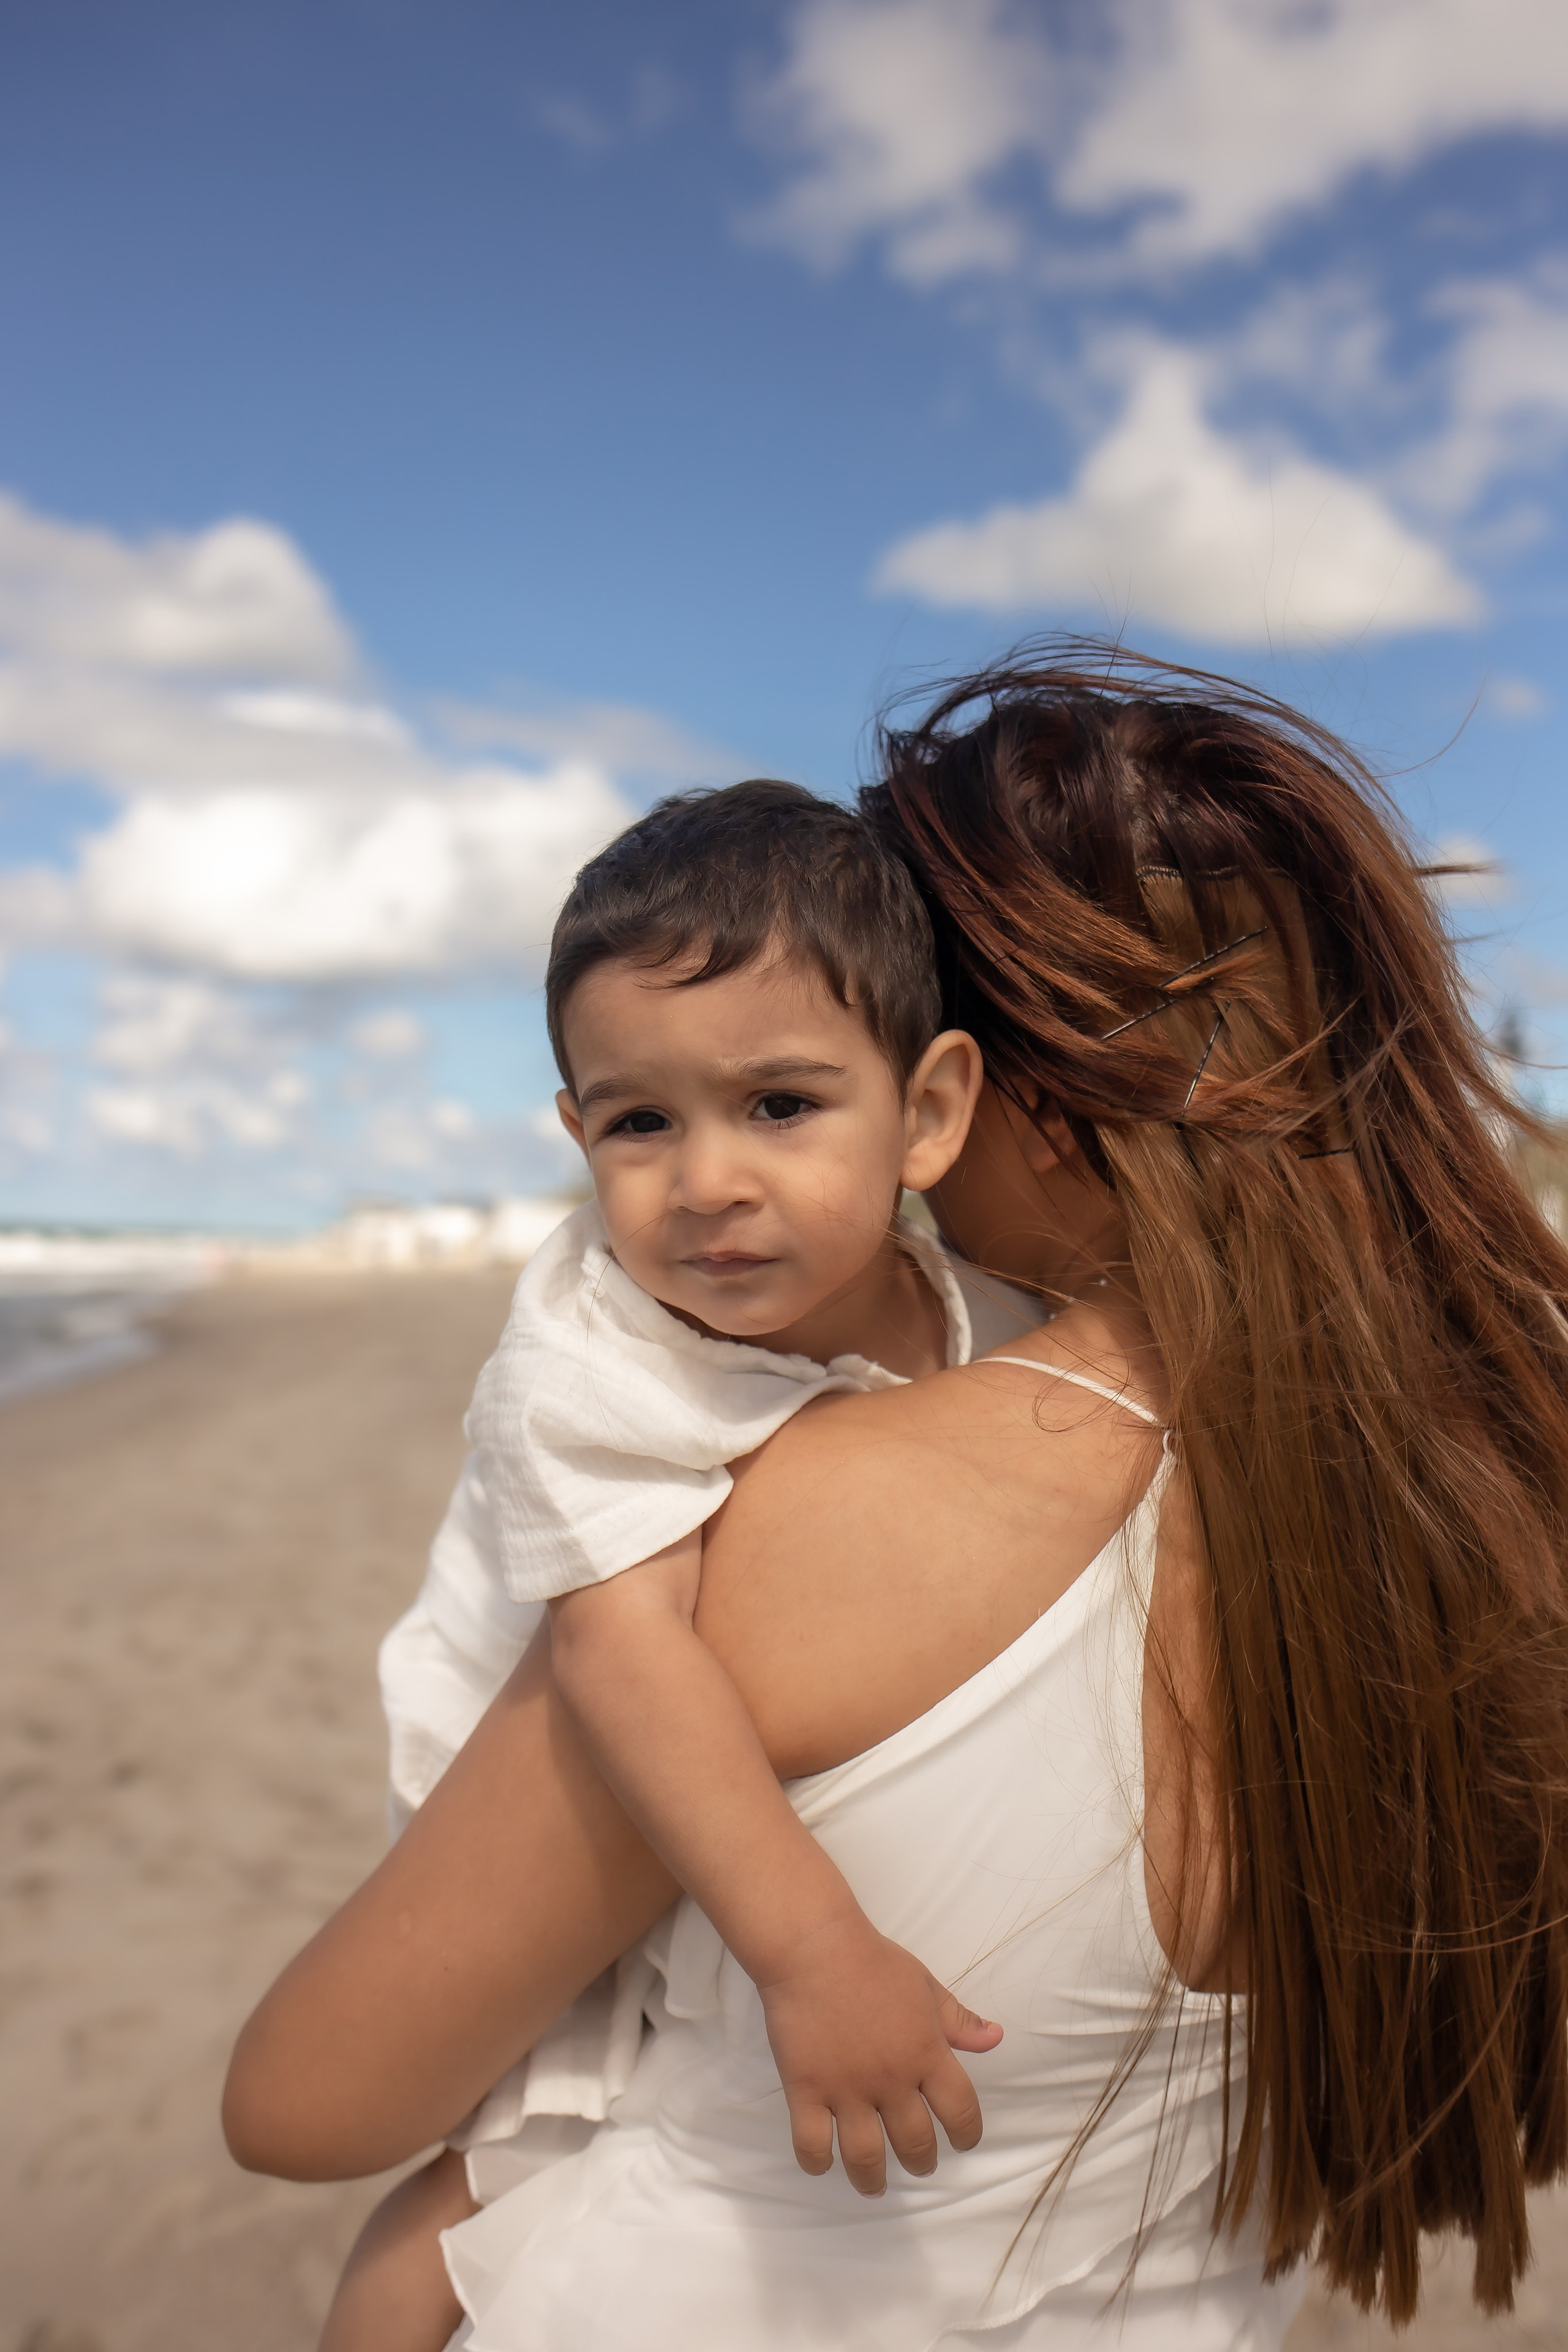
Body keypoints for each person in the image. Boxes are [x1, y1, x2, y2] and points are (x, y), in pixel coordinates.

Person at [226, 644, 1568, 2351]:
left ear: (977, 1091)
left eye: (801, 1088)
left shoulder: (811, 1524)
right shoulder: (1495, 1499)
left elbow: (307, 2106)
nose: (729, 1174)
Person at [341, 778, 1036, 2348]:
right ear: (578, 1132)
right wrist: (814, 1949)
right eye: (640, 1121)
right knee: (502, 2164)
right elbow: (617, 1652)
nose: (705, 1181)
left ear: (926, 1111)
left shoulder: (973, 1314)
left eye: (778, 1106)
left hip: (691, 1745)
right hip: (526, 1765)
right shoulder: (591, 1357)